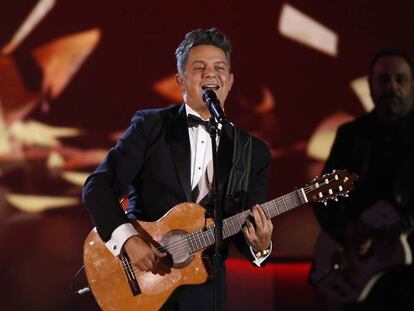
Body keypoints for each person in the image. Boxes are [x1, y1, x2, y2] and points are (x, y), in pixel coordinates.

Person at [82, 27, 273, 311]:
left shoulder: (252, 152)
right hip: (141, 280)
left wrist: (261, 246)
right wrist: (129, 240)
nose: (211, 74)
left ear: (230, 81)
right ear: (181, 80)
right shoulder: (151, 126)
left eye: (219, 68)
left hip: (205, 292)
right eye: (200, 67)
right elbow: (97, 188)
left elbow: (246, 235)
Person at [312, 48, 414, 310]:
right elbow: (322, 195)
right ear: (370, 86)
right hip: (358, 274)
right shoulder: (351, 135)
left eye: (400, 79)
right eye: (384, 79)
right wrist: (347, 232)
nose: (392, 86)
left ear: (411, 85)